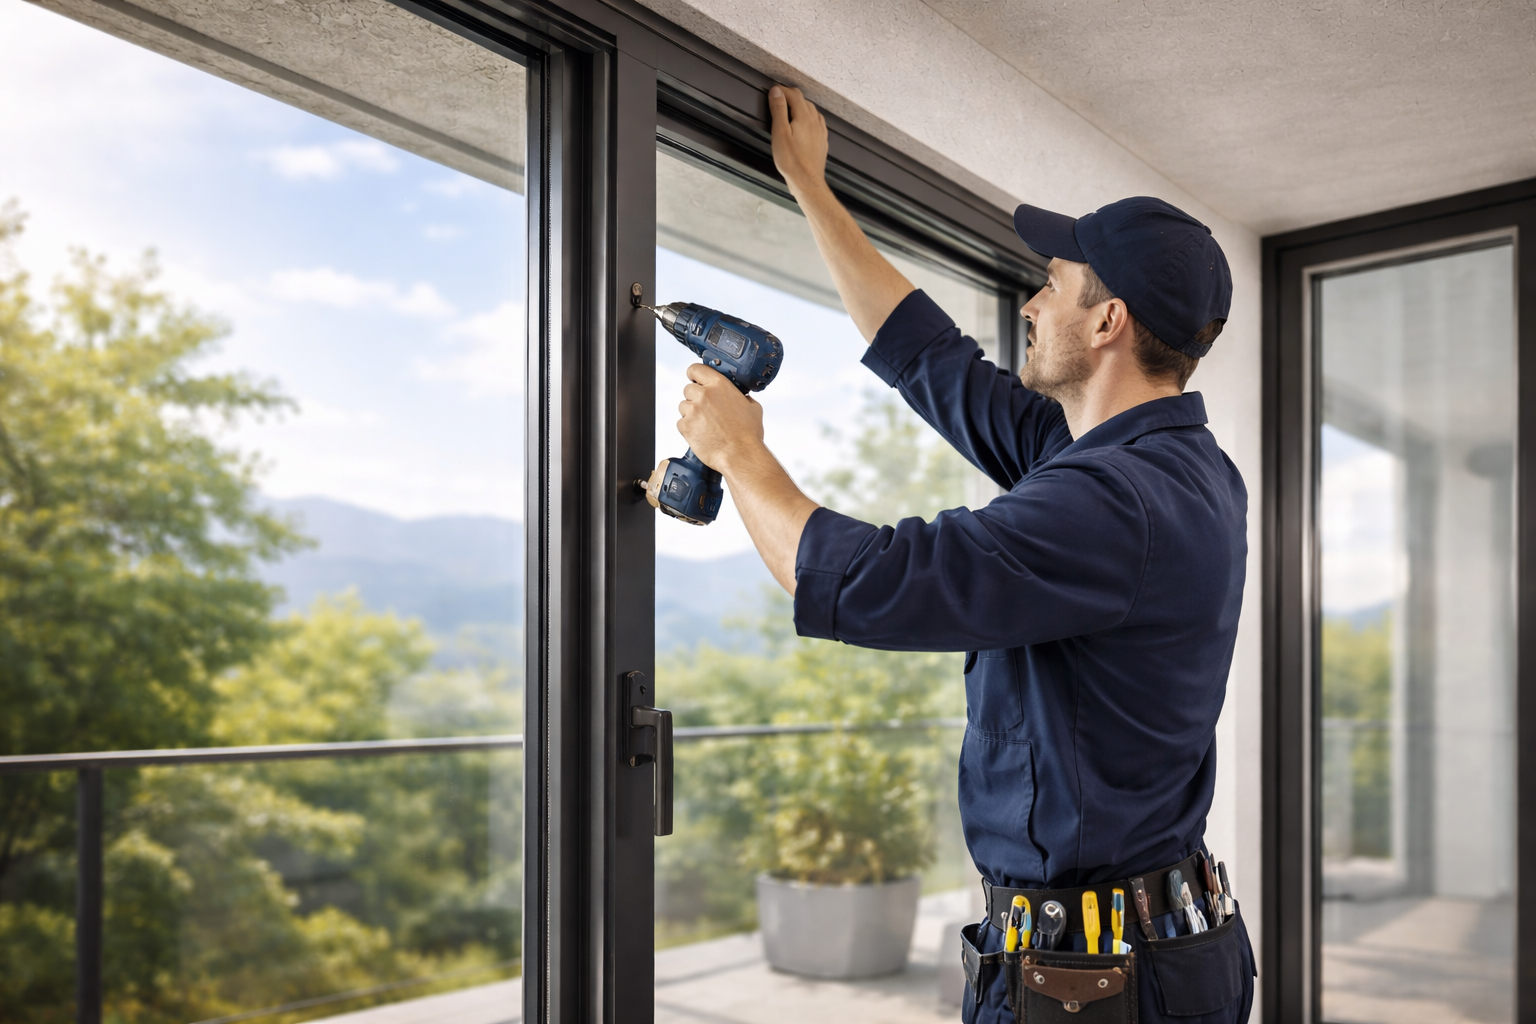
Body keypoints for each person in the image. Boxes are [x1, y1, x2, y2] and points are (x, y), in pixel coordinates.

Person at [668, 83, 1254, 1023]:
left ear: (1108, 322)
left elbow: (865, 582)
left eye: (1053, 285)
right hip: (1142, 951)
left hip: (1098, 986)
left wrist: (738, 453)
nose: (1032, 305)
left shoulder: (1115, 502)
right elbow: (931, 361)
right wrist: (810, 185)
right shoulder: (1163, 464)